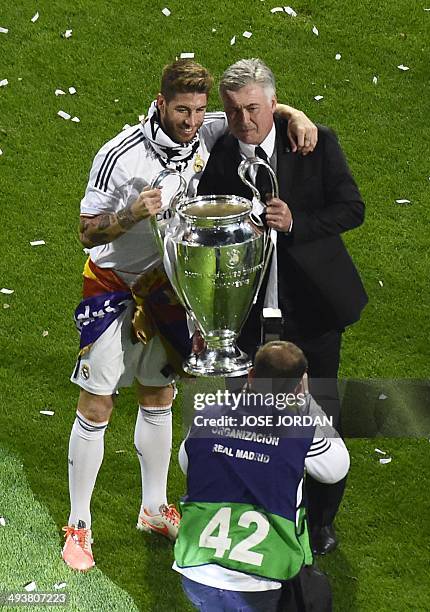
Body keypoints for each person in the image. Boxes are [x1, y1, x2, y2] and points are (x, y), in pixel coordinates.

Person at [61, 58, 319, 571]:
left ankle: (154, 509)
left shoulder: (206, 130)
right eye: (183, 110)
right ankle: (79, 525)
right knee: (98, 404)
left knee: (159, 396)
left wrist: (296, 115)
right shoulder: (119, 155)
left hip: (166, 289)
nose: (193, 121)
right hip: (113, 288)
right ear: (160, 104)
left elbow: (253, 113)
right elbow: (86, 233)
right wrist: (133, 212)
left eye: (200, 110)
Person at [197, 58, 368, 555]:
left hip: (312, 312)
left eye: (253, 108)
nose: (244, 120)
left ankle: (320, 524)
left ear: (274, 104)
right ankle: (250, 512)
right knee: (244, 418)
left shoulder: (314, 144)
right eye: (233, 111)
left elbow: (351, 208)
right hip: (247, 316)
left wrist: (294, 222)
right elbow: (209, 227)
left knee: (321, 421)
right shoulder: (223, 153)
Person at [173, 341, 350, 612]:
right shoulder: (302, 431)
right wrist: (307, 406)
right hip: (258, 579)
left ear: (251, 375)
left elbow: (186, 464)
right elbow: (336, 468)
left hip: (196, 570)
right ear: (297, 388)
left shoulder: (206, 415)